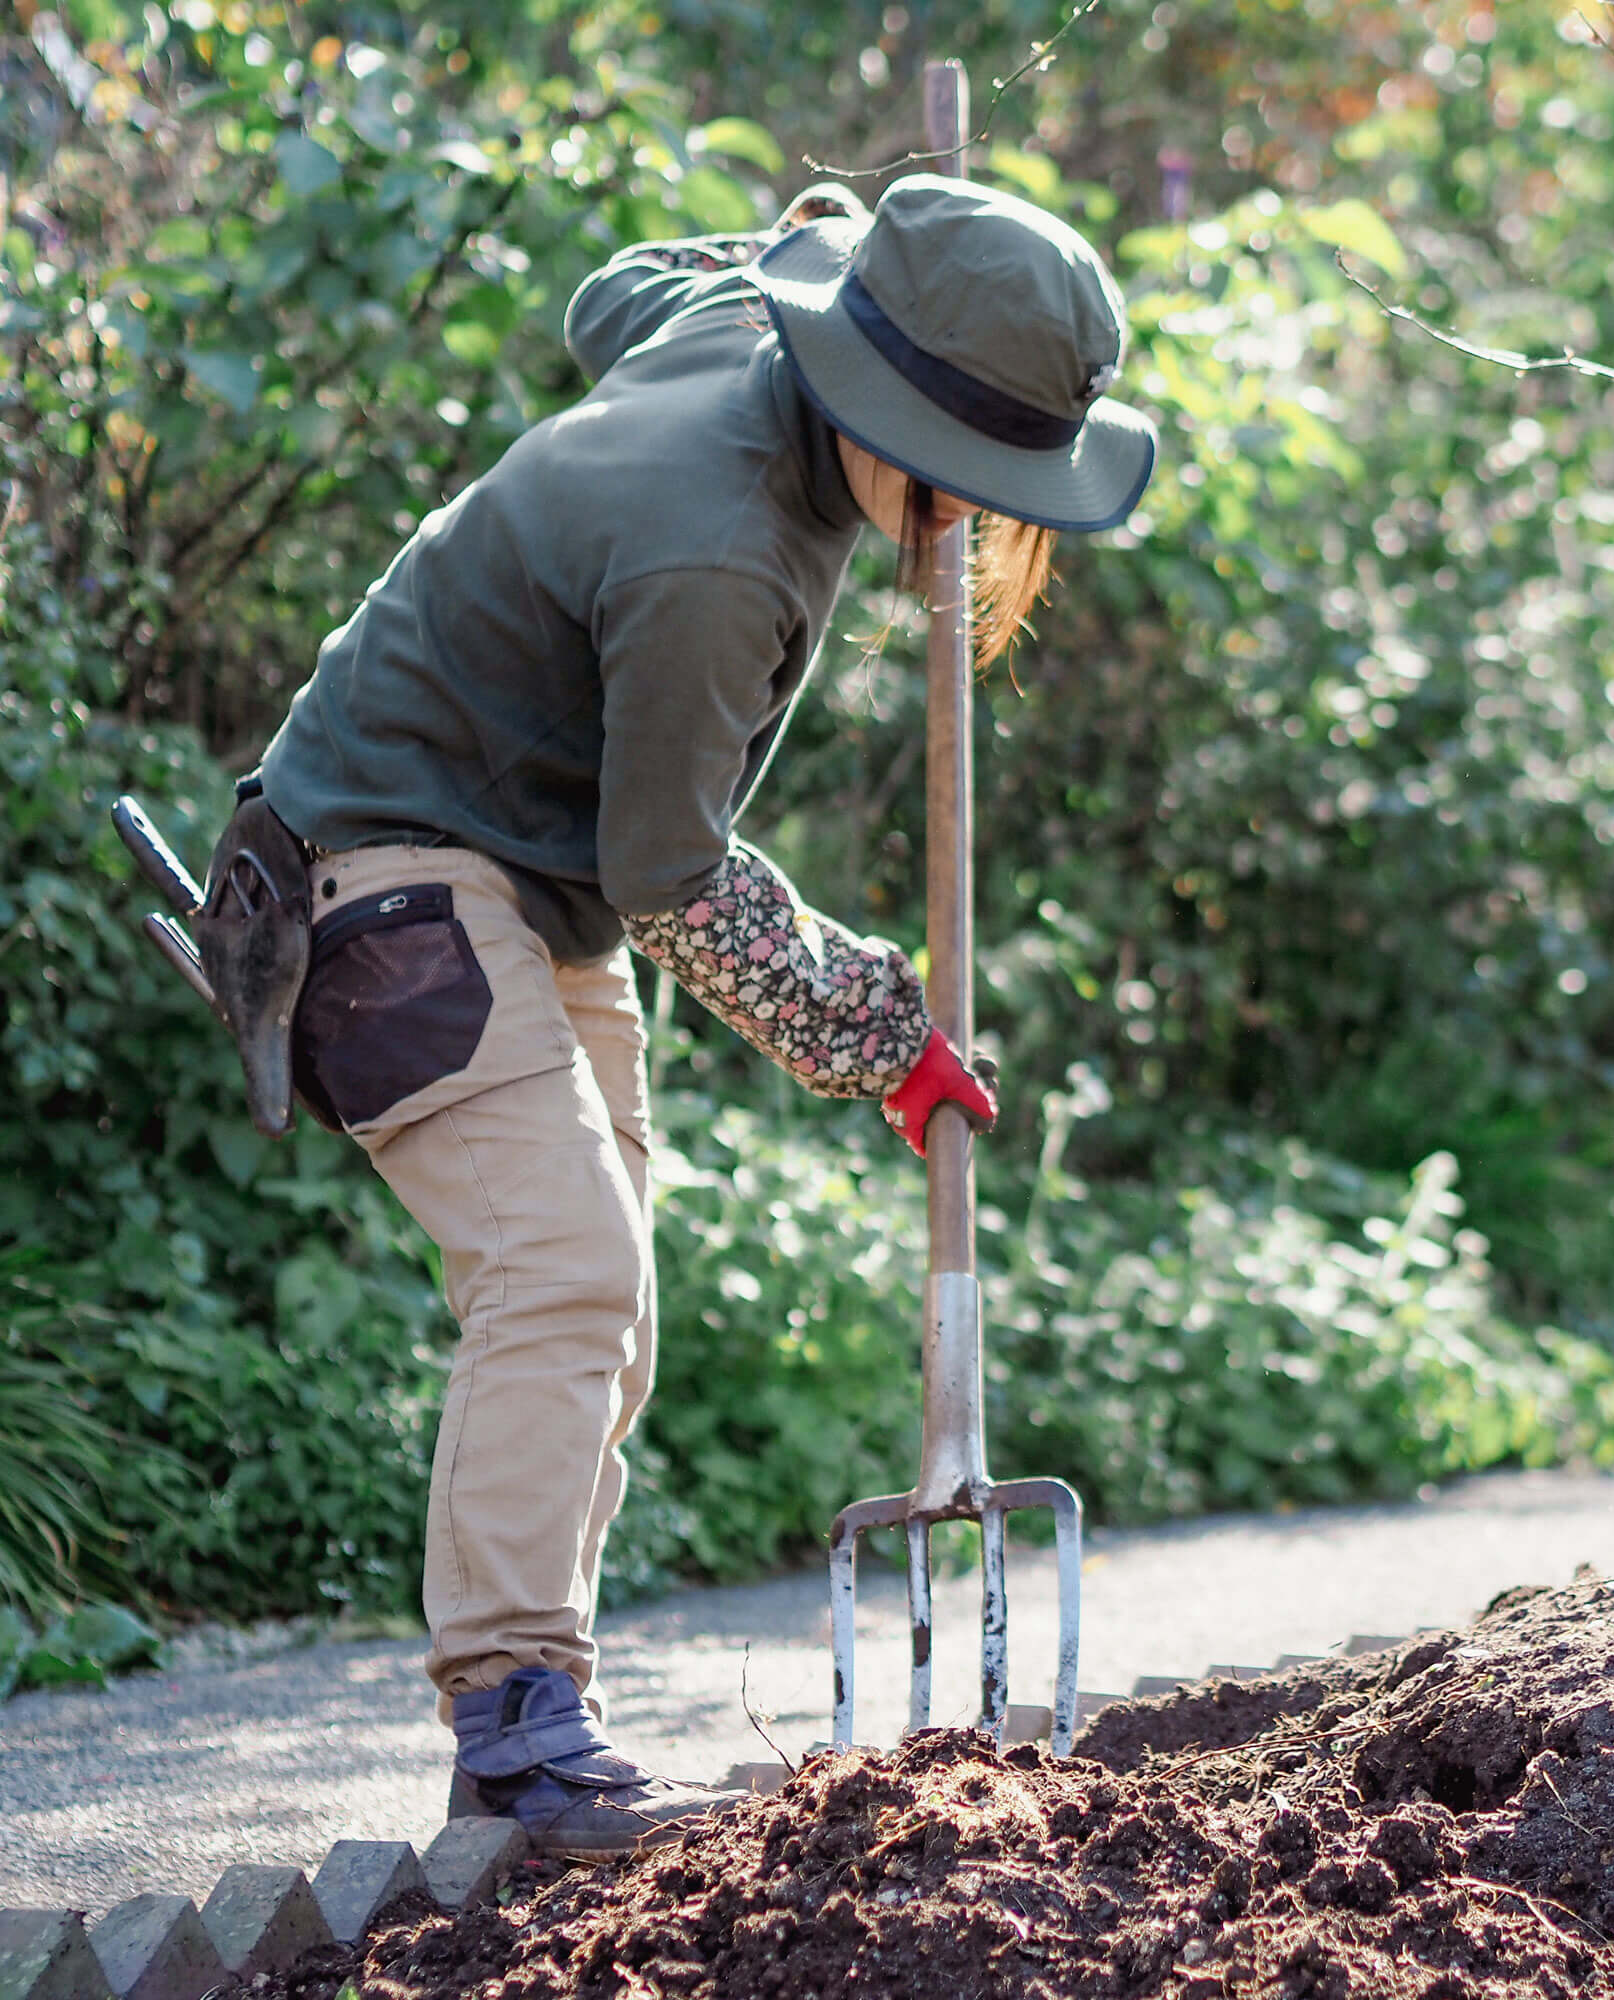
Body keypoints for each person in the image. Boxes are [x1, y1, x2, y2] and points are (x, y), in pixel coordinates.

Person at [244, 172, 1155, 1862]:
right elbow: (668, 872)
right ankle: (515, 1720)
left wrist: (786, 249)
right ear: (880, 407)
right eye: (964, 483)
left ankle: (531, 1712)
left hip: (530, 882)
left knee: (613, 1297)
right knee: (564, 1263)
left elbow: (611, 291)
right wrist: (872, 1033)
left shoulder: (740, 317)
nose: (967, 523)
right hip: (381, 878)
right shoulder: (718, 551)